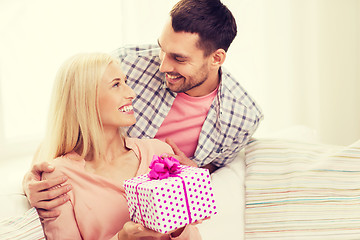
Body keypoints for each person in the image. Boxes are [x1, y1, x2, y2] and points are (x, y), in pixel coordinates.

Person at [23, 0, 263, 221]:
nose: (163, 65)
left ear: (216, 58)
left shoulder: (242, 118)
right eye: (162, 49)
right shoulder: (127, 63)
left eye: (179, 58)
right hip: (100, 199)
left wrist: (195, 172)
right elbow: (72, 119)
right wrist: (31, 182)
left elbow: (215, 166)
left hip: (159, 212)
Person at [37, 52, 201, 239]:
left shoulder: (160, 153)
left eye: (125, 82)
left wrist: (178, 228)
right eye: (116, 85)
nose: (131, 93)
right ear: (84, 99)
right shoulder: (59, 176)